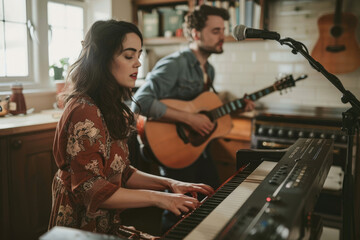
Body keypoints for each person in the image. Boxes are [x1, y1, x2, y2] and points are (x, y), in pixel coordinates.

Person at [48, 20, 214, 239]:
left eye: (138, 55)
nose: (137, 64)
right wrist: (160, 198)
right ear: (102, 59)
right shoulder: (84, 110)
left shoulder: (111, 106)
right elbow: (91, 189)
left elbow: (121, 172)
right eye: (128, 56)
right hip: (80, 226)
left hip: (106, 221)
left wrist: (170, 183)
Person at [131, 4, 255, 232]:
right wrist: (189, 119)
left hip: (198, 149)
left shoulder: (208, 69)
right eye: (215, 31)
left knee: (213, 199)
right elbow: (140, 102)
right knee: (180, 211)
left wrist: (237, 107)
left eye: (223, 30)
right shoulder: (175, 64)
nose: (222, 37)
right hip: (173, 148)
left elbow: (206, 109)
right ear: (196, 34)